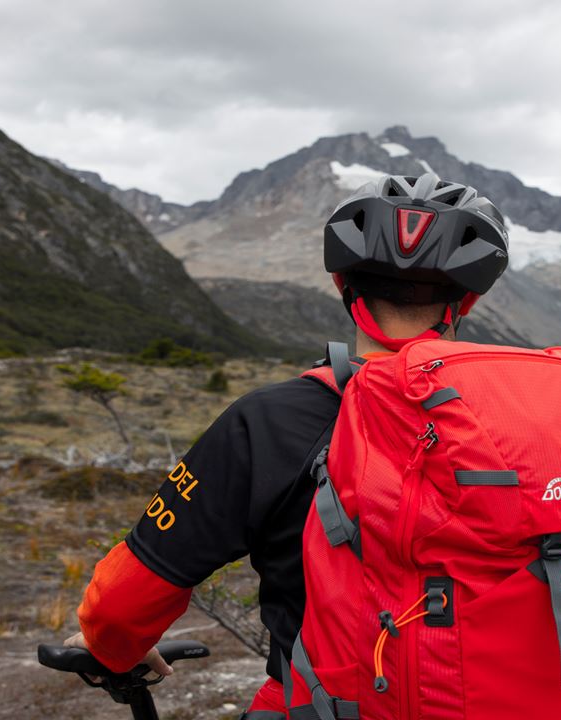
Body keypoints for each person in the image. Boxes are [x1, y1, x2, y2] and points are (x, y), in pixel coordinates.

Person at [63, 172, 511, 717]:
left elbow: (125, 601)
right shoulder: (537, 424)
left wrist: (110, 646)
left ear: (342, 285)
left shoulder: (271, 421)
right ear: (468, 300)